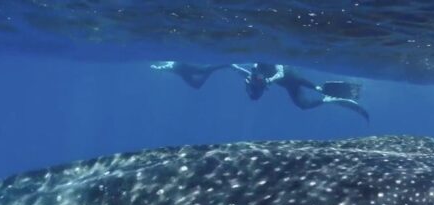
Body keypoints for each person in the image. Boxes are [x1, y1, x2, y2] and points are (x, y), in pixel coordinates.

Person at [152, 61, 369, 121]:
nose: (251, 85)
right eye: (252, 88)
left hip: (291, 77)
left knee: (310, 94)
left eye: (253, 88)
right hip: (285, 82)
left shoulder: (266, 71)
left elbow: (285, 69)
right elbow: (242, 71)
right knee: (302, 105)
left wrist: (272, 79)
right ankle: (328, 99)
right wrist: (231, 65)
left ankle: (326, 95)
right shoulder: (254, 76)